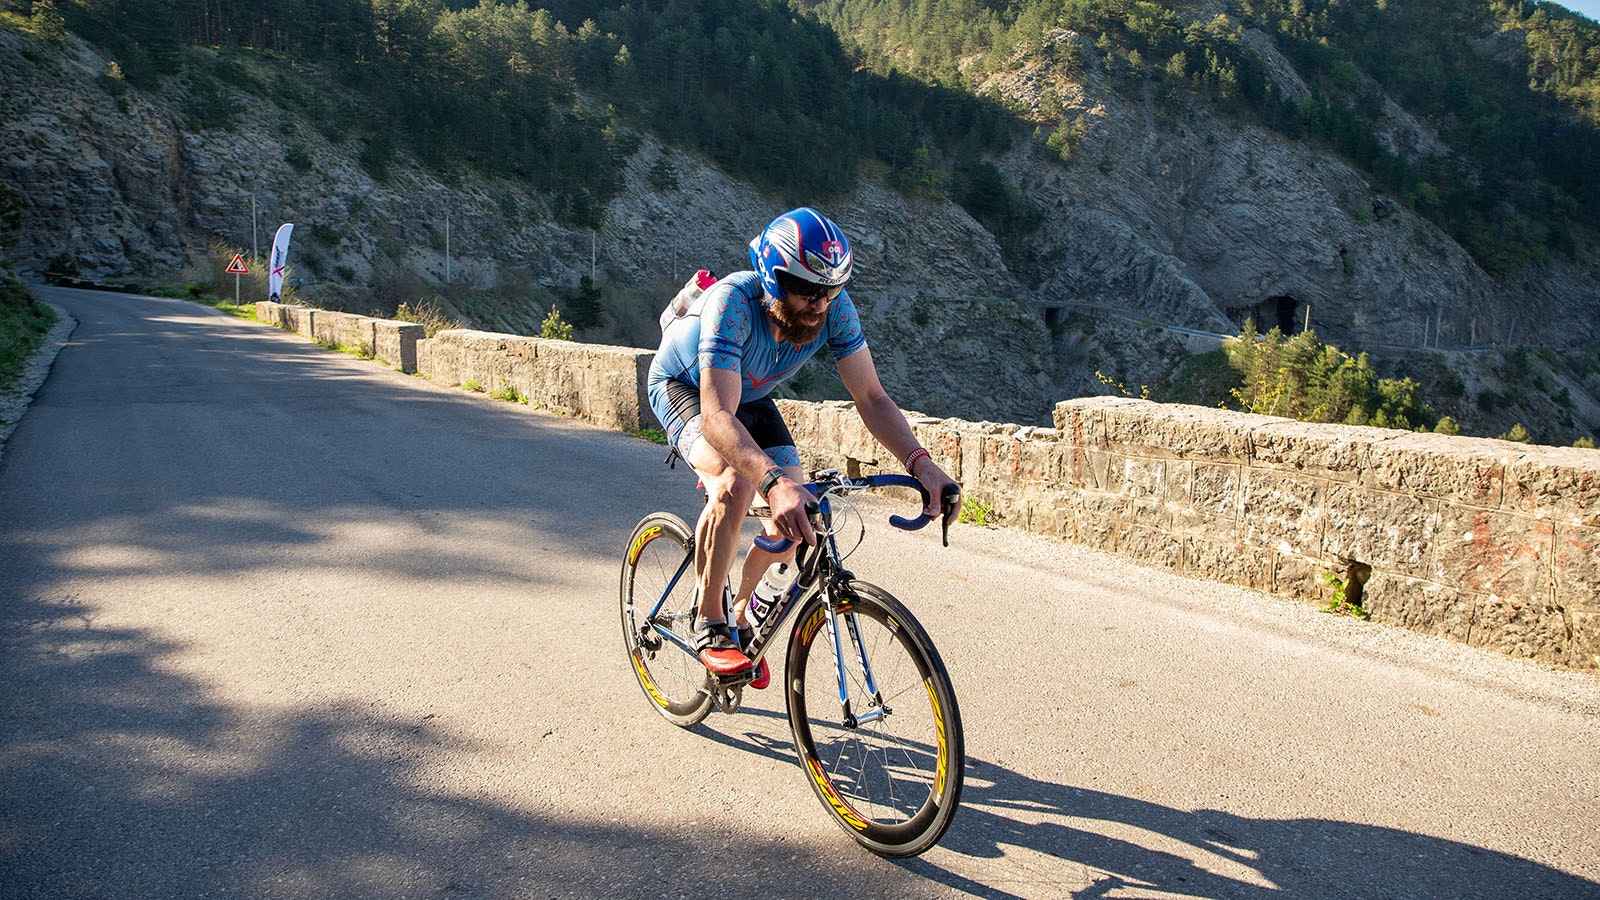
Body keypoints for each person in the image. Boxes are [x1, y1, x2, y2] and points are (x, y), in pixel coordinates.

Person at [647, 207, 961, 686]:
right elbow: (716, 418)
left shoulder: (835, 309)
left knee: (799, 518)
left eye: (830, 291)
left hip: (748, 395)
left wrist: (922, 464)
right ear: (774, 279)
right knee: (734, 481)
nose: (820, 305)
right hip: (689, 389)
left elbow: (872, 398)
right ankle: (708, 619)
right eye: (808, 291)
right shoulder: (733, 302)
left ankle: (740, 612)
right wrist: (769, 482)